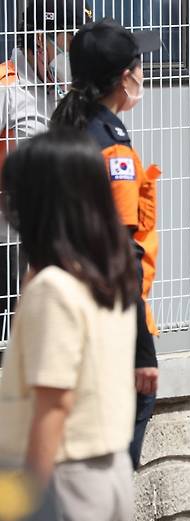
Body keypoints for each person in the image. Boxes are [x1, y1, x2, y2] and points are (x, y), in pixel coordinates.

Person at [0, 128, 138, 521]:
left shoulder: (54, 290)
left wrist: (25, 507)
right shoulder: (112, 278)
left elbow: (52, 405)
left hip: (59, 481)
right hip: (109, 473)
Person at [51, 18, 162, 468]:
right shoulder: (113, 151)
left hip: (71, 312)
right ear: (124, 78)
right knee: (110, 457)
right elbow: (121, 256)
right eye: (140, 66)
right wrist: (143, 352)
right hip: (109, 321)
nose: (143, 75)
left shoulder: (68, 131)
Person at [0, 0, 91, 341]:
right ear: (40, 40)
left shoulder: (62, 90)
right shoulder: (7, 87)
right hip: (8, 243)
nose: (75, 53)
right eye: (69, 41)